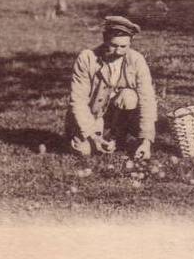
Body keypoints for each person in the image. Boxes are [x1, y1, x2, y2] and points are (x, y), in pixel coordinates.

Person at [65, 16, 157, 159]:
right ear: (104, 39)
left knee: (129, 96)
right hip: (91, 116)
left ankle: (117, 136)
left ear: (130, 43)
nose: (118, 51)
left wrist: (146, 141)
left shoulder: (137, 60)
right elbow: (78, 101)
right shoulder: (87, 58)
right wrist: (93, 136)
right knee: (85, 151)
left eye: (123, 47)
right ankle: (91, 137)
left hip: (117, 118)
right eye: (114, 46)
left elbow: (147, 100)